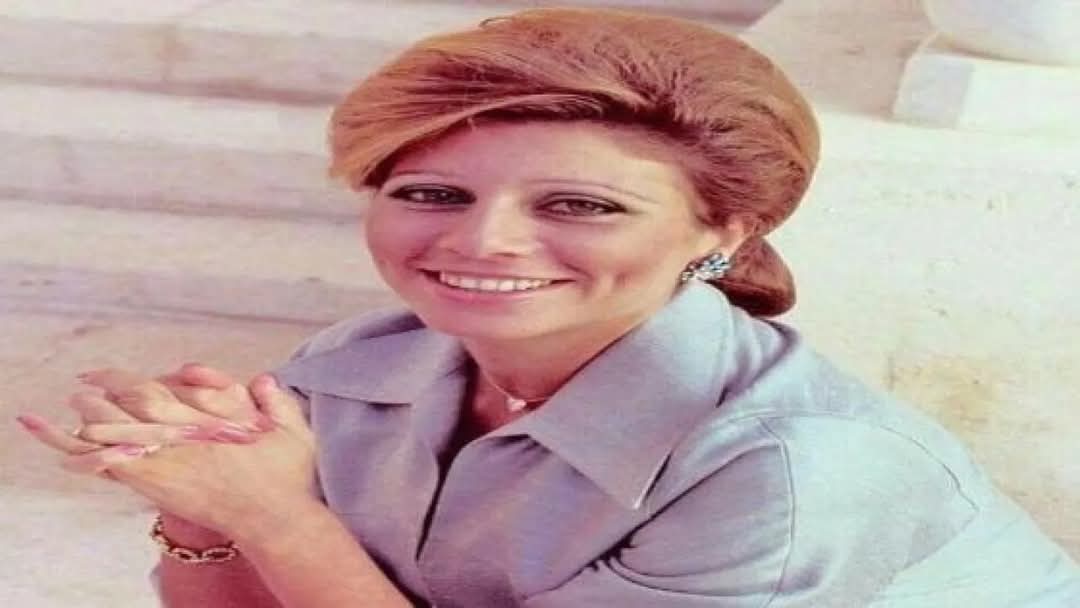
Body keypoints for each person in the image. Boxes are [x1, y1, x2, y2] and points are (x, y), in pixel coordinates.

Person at [16, 6, 1080, 607]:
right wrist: (201, 499)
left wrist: (277, 516)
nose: (482, 242)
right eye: (432, 194)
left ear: (726, 230)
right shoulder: (359, 366)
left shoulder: (790, 468)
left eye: (581, 204)